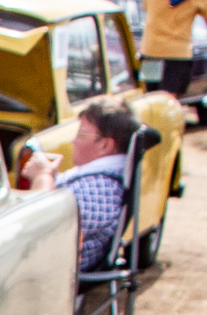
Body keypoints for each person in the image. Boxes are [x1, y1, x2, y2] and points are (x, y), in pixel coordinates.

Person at [21, 99, 138, 272]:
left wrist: (42, 176)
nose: (73, 141)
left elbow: (38, 225)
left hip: (49, 272)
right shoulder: (99, 182)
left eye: (81, 135)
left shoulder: (100, 190)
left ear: (105, 145)